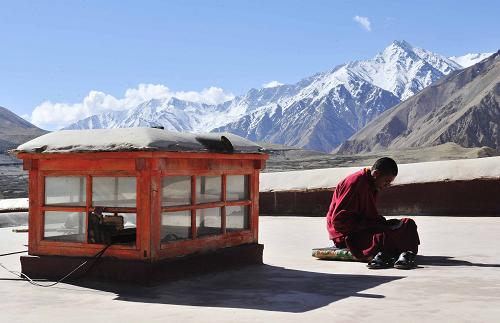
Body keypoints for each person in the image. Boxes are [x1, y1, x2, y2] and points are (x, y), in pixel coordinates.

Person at [325, 157, 420, 269]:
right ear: (376, 174)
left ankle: (404, 253)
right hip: (346, 234)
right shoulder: (355, 183)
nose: (387, 185)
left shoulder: (370, 184)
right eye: (386, 181)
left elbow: (367, 215)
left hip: (364, 228)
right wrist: (375, 225)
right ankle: (399, 252)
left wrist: (382, 222)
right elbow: (340, 222)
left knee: (408, 224)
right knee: (383, 237)